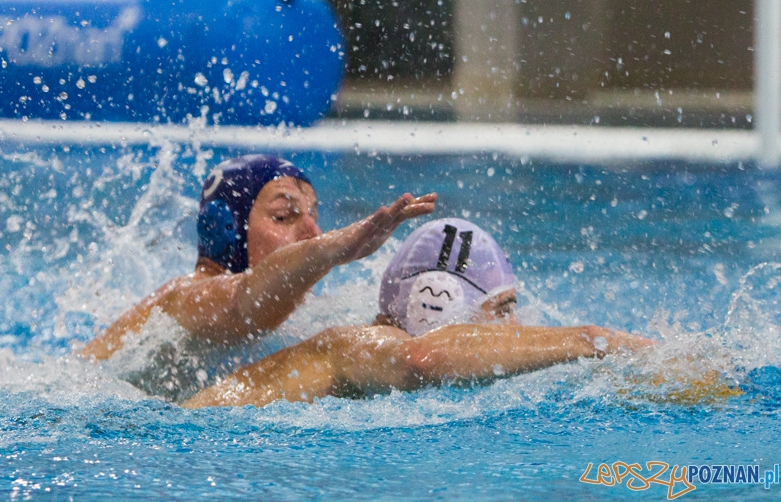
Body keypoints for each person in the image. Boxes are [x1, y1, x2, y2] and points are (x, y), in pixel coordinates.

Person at [183, 218, 654, 408]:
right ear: (437, 300)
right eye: (501, 309)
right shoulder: (354, 346)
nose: (515, 330)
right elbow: (422, 359)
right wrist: (589, 340)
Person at [81, 154, 437, 369]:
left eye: (314, 215)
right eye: (285, 216)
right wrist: (332, 250)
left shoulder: (296, 314)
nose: (313, 232)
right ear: (226, 231)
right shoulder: (184, 298)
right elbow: (246, 305)